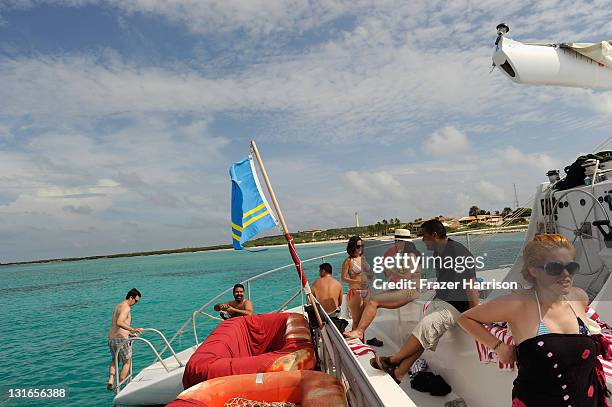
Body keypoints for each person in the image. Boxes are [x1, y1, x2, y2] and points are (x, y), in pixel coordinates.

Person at [458, 234, 610, 406]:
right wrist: (499, 346)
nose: (566, 274)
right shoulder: (517, 304)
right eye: (555, 268)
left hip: (586, 400)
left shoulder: (578, 297)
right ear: (533, 270)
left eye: (571, 267)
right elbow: (466, 318)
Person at [370, 220, 479, 383]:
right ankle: (399, 373)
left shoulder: (458, 252)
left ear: (434, 235)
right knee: (422, 337)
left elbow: (471, 284)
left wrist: (474, 314)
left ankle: (392, 360)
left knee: (426, 326)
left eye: (424, 236)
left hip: (456, 305)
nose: (422, 240)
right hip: (441, 300)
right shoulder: (438, 252)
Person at [344, 229, 421, 341]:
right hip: (404, 289)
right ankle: (359, 333)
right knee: (373, 299)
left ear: (403, 242)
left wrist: (391, 270)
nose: (395, 244)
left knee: (373, 301)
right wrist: (388, 272)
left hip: (411, 291)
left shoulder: (411, 256)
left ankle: (359, 332)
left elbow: (406, 277)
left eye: (396, 241)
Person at [107, 288, 143, 391]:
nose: (136, 303)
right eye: (136, 300)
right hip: (120, 340)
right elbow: (119, 322)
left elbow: (116, 326)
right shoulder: (126, 308)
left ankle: (111, 379)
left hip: (111, 339)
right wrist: (133, 329)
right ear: (131, 297)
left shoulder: (118, 306)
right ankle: (119, 386)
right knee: (127, 362)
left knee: (115, 359)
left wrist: (130, 334)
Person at [341, 236, 371, 331]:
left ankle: (363, 343)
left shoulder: (363, 258)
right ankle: (355, 344)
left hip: (366, 291)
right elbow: (343, 278)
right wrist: (357, 281)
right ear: (353, 247)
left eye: (362, 246)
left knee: (364, 321)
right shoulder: (349, 261)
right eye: (358, 246)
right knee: (356, 320)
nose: (360, 248)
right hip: (355, 292)